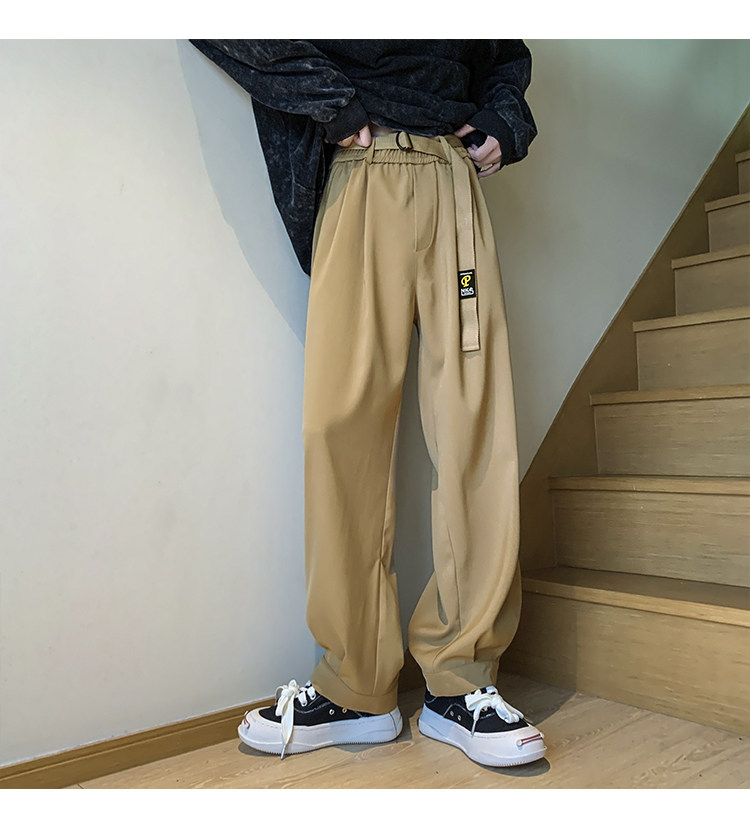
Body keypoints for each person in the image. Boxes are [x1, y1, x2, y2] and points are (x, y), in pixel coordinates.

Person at [190, 39, 544, 768]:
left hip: (451, 181)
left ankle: (462, 681)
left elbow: (504, 52)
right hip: (360, 171)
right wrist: (330, 102)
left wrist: (505, 119)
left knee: (476, 426)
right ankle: (355, 688)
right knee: (339, 432)